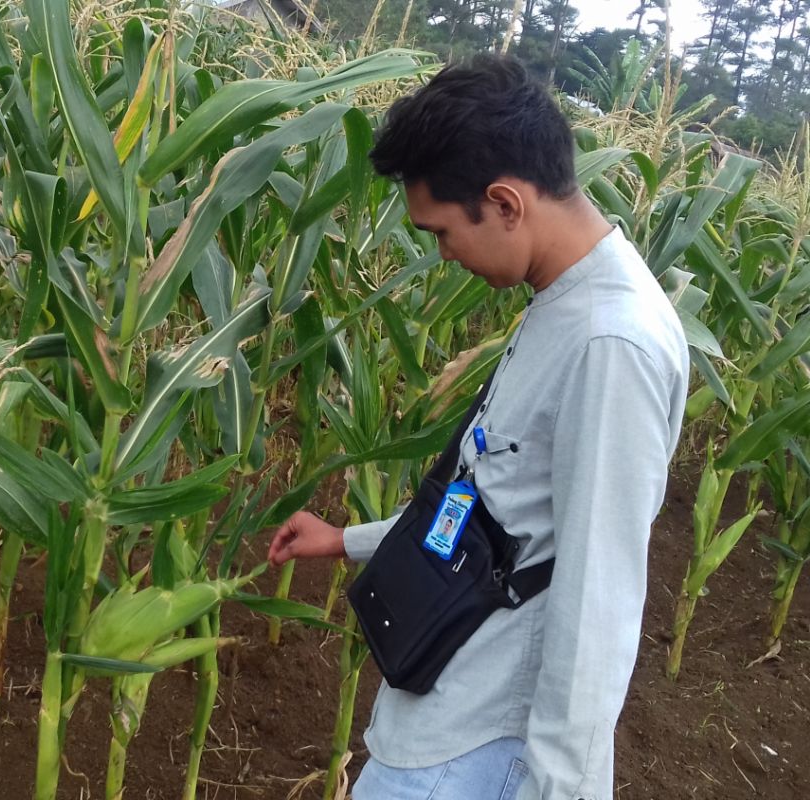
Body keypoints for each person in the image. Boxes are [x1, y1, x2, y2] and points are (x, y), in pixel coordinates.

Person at [265, 54, 689, 800]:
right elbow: (495, 504)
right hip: (444, 712)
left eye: (440, 232)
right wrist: (350, 540)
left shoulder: (609, 344)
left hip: (475, 749)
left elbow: (600, 602)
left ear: (504, 202)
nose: (442, 256)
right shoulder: (562, 302)